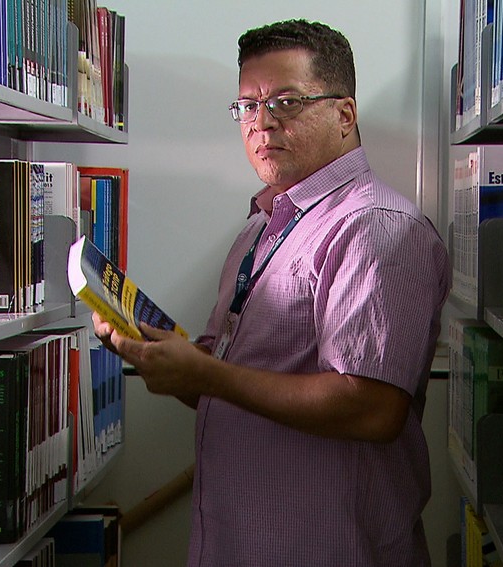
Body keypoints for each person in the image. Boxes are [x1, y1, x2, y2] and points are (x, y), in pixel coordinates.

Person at [92, 19, 450, 567]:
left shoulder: (374, 227)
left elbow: (372, 408)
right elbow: (227, 377)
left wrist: (207, 374)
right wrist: (157, 353)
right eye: (246, 107)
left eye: (284, 102)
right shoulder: (260, 227)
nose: (261, 124)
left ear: (344, 114)